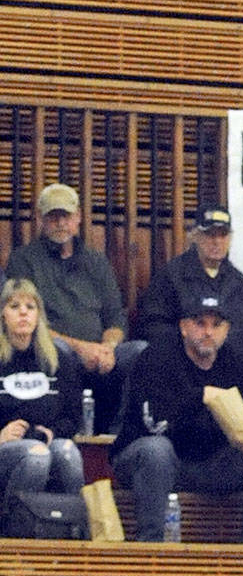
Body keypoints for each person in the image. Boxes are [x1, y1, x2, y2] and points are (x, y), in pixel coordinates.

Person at [110, 285, 243, 544]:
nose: (208, 332)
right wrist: (201, 396)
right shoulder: (156, 358)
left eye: (216, 325)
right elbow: (153, 424)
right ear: (184, 327)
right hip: (152, 461)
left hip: (212, 463)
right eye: (200, 323)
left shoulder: (238, 363)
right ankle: (151, 548)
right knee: (156, 450)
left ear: (227, 330)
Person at [134, 204, 243, 442]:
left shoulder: (239, 281)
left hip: (232, 366)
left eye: (223, 235)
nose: (217, 241)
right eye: (210, 235)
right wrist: (193, 345)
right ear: (195, 237)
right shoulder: (171, 275)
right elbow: (152, 325)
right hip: (186, 364)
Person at [6, 180, 145, 428]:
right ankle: (70, 427)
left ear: (78, 217)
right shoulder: (24, 260)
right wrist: (81, 348)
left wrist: (108, 348)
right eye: (53, 217)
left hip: (101, 353)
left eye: (66, 216)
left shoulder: (96, 261)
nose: (61, 223)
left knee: (140, 351)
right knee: (59, 349)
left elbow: (115, 317)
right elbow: (28, 321)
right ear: (40, 219)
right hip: (55, 350)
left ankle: (122, 431)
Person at [0, 276, 84, 513]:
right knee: (36, 456)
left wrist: (52, 433)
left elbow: (73, 416)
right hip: (6, 445)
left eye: (30, 307)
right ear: (3, 315)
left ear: (39, 315)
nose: (23, 313)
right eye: (14, 306)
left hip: (46, 441)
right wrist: (2, 434)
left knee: (67, 452)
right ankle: (16, 528)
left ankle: (73, 525)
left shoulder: (57, 360)